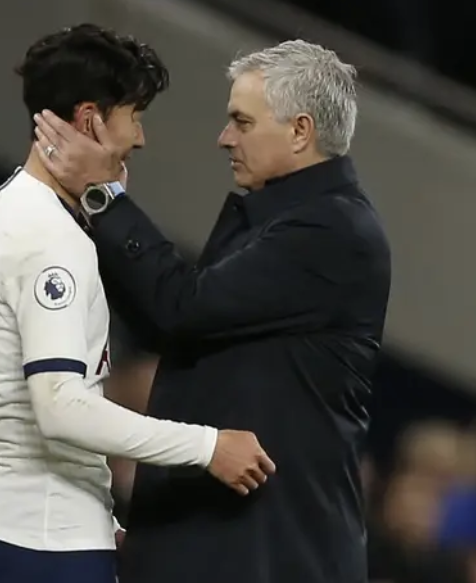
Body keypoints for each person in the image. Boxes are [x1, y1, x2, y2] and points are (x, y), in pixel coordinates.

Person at [34, 38, 392, 583]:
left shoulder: (333, 231)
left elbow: (181, 306)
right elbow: (172, 328)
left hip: (268, 553)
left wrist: (102, 196)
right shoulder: (282, 221)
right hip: (225, 540)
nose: (225, 138)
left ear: (300, 131)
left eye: (242, 122)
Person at [0, 23, 275, 583]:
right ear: (89, 120)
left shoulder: (5, 204)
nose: (140, 138)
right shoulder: (48, 235)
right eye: (134, 116)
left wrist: (95, 516)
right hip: (40, 541)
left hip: (8, 524)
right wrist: (207, 446)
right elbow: (60, 406)